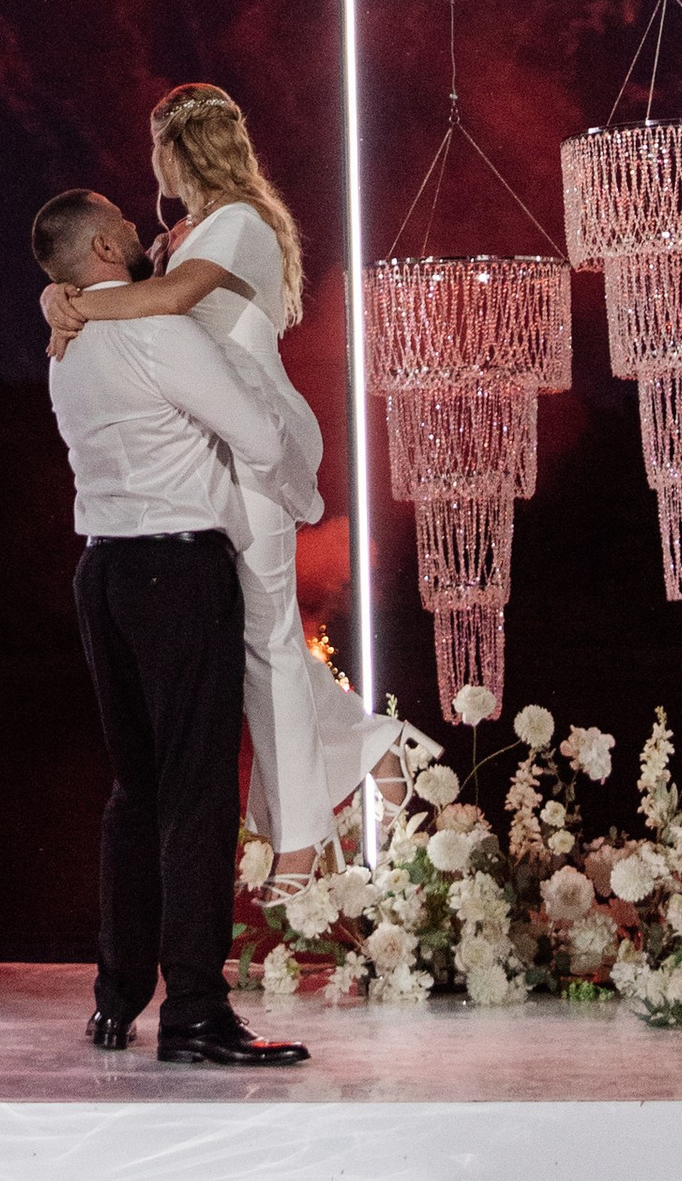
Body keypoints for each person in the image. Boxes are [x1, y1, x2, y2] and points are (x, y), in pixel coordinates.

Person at [43, 82, 405, 886]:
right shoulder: (180, 234)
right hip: (206, 451)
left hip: (252, 439)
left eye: (152, 147)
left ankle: (302, 840)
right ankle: (372, 751)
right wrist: (56, 293)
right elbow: (122, 285)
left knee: (268, 642)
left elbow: (167, 301)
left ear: (174, 150)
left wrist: (73, 307)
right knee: (254, 637)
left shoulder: (238, 224)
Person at [34, 183, 310, 1068]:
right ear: (106, 246)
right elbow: (260, 442)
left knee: (134, 793)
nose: (139, 225)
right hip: (177, 569)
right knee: (197, 797)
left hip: (102, 572)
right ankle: (194, 1010)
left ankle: (116, 1000)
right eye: (122, 220)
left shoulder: (65, 343)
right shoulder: (155, 328)